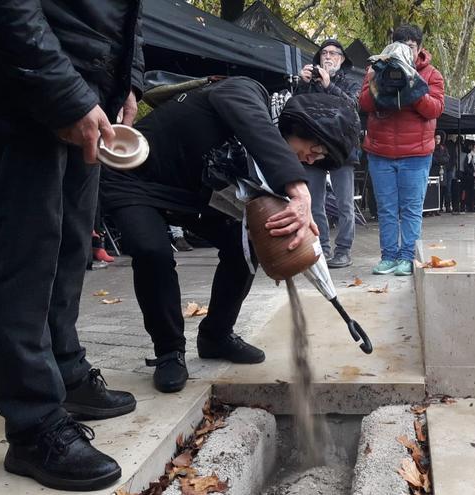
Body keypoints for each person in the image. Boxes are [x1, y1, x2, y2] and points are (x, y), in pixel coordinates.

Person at [0, 1, 144, 490]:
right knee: (26, 252)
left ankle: (65, 371)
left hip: (88, 86)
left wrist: (127, 81)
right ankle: (32, 423)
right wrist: (63, 92)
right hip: (24, 79)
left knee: (72, 244)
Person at [100, 80, 358, 393]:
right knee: (151, 251)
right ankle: (169, 351)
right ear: (303, 125)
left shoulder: (268, 168)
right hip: (135, 179)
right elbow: (256, 127)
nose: (310, 161)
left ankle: (216, 336)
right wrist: (299, 189)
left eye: (318, 161)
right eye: (315, 151)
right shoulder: (246, 92)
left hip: (193, 196)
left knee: (244, 244)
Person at [360, 24, 445, 276]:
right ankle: (388, 256)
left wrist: (411, 85)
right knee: (386, 208)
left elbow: (435, 109)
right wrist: (380, 80)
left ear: (418, 48)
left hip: (416, 154)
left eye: (410, 46)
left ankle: (407, 257)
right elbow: (364, 103)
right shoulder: (375, 69)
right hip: (380, 152)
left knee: (410, 209)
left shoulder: (431, 74)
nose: (406, 50)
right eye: (401, 45)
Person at [296, 39, 361, 268]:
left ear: (342, 59)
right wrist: (302, 84)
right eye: (324, 52)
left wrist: (329, 86)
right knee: (315, 204)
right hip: (314, 150)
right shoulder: (309, 83)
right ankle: (322, 249)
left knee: (345, 204)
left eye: (334, 53)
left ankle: (343, 250)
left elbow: (353, 107)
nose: (328, 56)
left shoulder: (351, 83)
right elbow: (295, 110)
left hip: (342, 150)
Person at [432, 132, 451, 212]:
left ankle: (440, 207)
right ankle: (434, 208)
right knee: (433, 189)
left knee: (442, 189)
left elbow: (447, 158)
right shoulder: (431, 147)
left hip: (442, 171)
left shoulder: (444, 148)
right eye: (436, 138)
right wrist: (439, 160)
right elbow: (432, 159)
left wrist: (439, 160)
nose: (437, 140)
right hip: (433, 170)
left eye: (439, 138)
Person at [463, 142, 475, 213]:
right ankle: (469, 207)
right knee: (469, 193)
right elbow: (466, 166)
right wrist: (472, 172)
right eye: (474, 148)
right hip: (470, 176)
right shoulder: (469, 155)